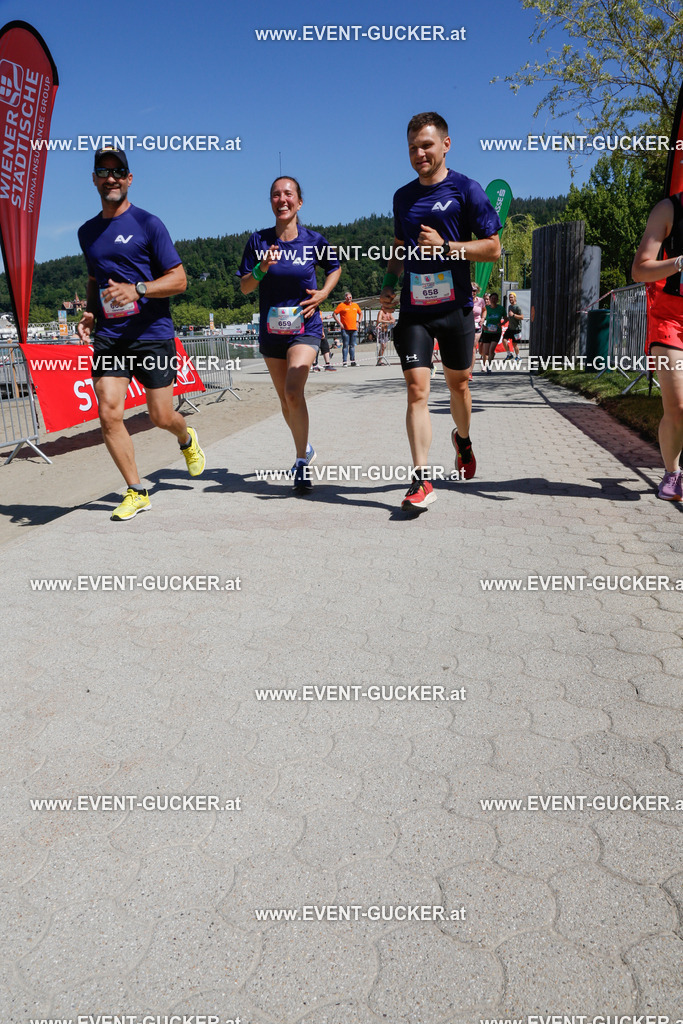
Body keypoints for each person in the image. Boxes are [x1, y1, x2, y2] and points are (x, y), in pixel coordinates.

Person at [380, 110, 501, 510]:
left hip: (456, 308)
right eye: (413, 148)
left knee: (459, 385)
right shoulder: (402, 196)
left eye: (427, 145)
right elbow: (399, 247)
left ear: (445, 144)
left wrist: (448, 248)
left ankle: (462, 439)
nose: (420, 154)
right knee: (417, 390)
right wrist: (387, 285)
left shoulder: (467, 189)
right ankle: (420, 479)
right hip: (415, 309)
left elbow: (493, 247)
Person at [76, 147, 205, 522]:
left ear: (129, 179)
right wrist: (89, 312)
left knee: (160, 416)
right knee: (108, 412)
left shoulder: (149, 223)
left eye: (119, 172)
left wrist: (140, 289)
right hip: (111, 337)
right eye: (104, 170)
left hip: (151, 333)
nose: (111, 177)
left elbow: (180, 280)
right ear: (95, 179)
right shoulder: (87, 232)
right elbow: (93, 278)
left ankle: (186, 438)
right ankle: (136, 490)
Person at [237, 176, 341, 492]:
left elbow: (334, 267)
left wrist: (323, 293)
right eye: (275, 195)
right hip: (272, 332)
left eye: (288, 194)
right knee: (285, 400)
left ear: (299, 201)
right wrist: (260, 269)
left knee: (294, 391)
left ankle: (300, 463)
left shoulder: (313, 240)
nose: (282, 199)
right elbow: (244, 287)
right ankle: (305, 446)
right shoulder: (258, 241)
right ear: (271, 202)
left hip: (305, 327)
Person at [632, 194, 683, 500]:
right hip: (668, 320)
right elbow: (639, 270)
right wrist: (679, 262)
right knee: (677, 405)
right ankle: (673, 473)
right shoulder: (668, 209)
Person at [333, 291, 362, 366]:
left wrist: (358, 322)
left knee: (352, 345)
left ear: (351, 298)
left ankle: (353, 361)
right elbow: (334, 314)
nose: (348, 298)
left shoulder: (355, 305)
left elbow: (360, 313)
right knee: (345, 345)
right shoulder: (341, 305)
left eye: (350, 297)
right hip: (345, 329)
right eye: (347, 297)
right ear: (345, 297)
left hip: (354, 328)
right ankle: (344, 362)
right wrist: (340, 323)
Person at [479, 292, 506, 372]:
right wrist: (483, 326)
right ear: (490, 299)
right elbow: (482, 318)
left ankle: (489, 366)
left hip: (496, 332)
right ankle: (484, 365)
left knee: (491, 350)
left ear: (497, 300)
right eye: (492, 298)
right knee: (485, 352)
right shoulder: (486, 308)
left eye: (495, 298)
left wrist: (501, 323)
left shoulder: (501, 308)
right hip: (487, 332)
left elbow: (506, 319)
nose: (493, 300)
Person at [470, 282, 486, 378]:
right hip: (466, 327)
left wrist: (483, 318)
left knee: (472, 349)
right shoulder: (465, 300)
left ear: (477, 291)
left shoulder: (480, 301)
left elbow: (484, 310)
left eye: (474, 290)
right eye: (471, 290)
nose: (473, 292)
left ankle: (469, 373)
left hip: (477, 326)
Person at [503, 291, 523, 358]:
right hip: (510, 328)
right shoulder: (509, 307)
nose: (510, 299)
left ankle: (518, 356)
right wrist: (503, 322)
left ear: (515, 298)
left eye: (511, 297)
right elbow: (510, 317)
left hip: (516, 329)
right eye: (509, 297)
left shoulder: (518, 307)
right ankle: (509, 354)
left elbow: (522, 317)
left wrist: (513, 315)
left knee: (514, 344)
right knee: (504, 340)